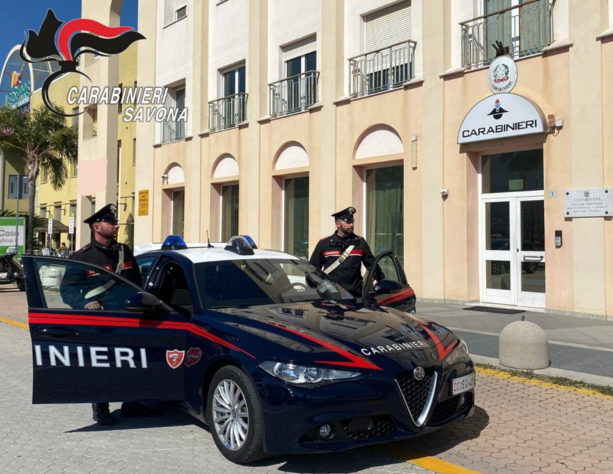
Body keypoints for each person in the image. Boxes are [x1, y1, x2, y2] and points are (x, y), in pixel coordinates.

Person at [60, 203, 152, 426]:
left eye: (115, 222)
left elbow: (137, 284)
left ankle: (131, 403)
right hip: (102, 321)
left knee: (133, 362)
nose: (117, 225)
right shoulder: (82, 257)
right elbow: (67, 289)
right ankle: (101, 408)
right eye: (111, 223)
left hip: (129, 318)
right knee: (103, 365)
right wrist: (85, 303)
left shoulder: (124, 251)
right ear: (97, 227)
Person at [309, 207, 382, 298]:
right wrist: (315, 286)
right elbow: (313, 269)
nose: (351, 225)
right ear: (338, 224)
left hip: (354, 295)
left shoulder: (360, 243)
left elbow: (372, 265)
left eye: (352, 222)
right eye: (348, 222)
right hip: (331, 296)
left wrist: (381, 282)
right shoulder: (324, 244)